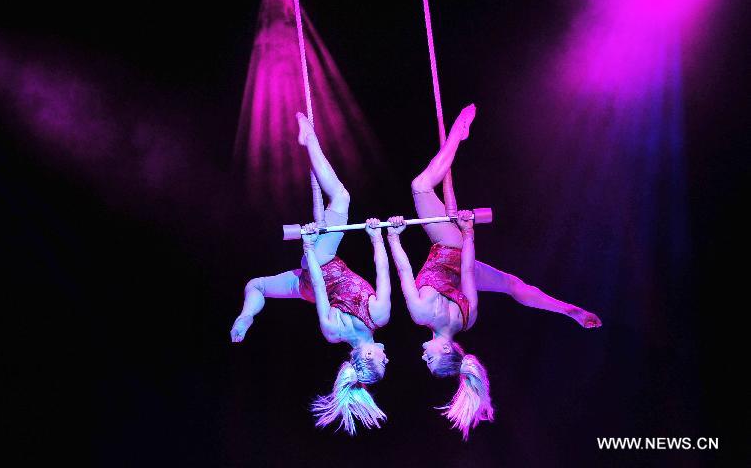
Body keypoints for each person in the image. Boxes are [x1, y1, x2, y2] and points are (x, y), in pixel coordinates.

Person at [387, 104, 601, 439]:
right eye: (429, 361)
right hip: (450, 249)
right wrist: (394, 235)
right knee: (420, 187)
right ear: (445, 351)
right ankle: (458, 134)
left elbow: (469, 273)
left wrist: (469, 232)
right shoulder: (420, 314)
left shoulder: (468, 319)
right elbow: (421, 269)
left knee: (513, 285)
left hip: (460, 255)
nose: (422, 356)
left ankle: (568, 310)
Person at [230, 113, 391, 434]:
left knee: (342, 199)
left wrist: (375, 238)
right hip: (309, 281)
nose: (387, 358)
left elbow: (378, 269)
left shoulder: (379, 316)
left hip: (323, 263)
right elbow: (316, 290)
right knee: (257, 285)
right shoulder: (333, 334)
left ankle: (310, 141)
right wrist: (309, 256)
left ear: (368, 354)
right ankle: (246, 316)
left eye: (381, 362)